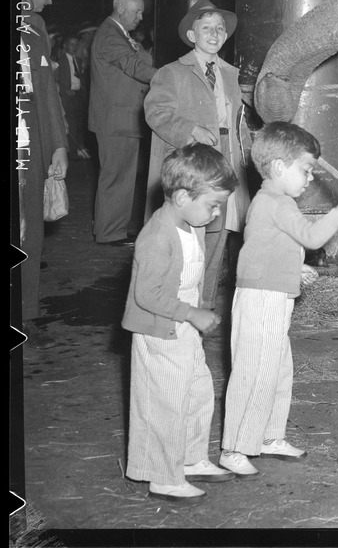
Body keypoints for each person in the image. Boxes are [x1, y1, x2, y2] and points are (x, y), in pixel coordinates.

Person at [219, 122, 338, 477]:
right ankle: (235, 446)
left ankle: (269, 436)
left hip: (273, 293)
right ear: (280, 168)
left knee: (278, 370)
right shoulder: (277, 203)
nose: (310, 178)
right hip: (262, 298)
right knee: (255, 371)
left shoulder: (273, 203)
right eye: (306, 170)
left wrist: (293, 271)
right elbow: (312, 238)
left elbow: (265, 248)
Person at [122, 144, 238, 502]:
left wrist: (196, 311)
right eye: (213, 205)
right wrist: (192, 313)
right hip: (160, 328)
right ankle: (163, 476)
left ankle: (190, 458)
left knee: (198, 390)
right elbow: (147, 295)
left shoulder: (191, 225)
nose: (217, 213)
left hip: (182, 326)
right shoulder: (157, 237)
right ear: (182, 196)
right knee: (166, 402)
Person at [144, 0, 250, 309]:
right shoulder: (172, 73)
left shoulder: (232, 74)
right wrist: (191, 129)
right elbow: (156, 112)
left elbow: (240, 118)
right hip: (192, 168)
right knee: (188, 235)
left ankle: (203, 302)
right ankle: (176, 302)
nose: (215, 33)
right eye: (207, 28)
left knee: (216, 232)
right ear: (192, 35)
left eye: (220, 29)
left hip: (227, 163)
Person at [16, 0, 69, 347]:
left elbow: (47, 92)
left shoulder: (34, 29)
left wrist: (59, 146)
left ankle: (24, 310)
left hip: (29, 140)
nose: (48, 2)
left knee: (29, 225)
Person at [88, 0, 156, 246]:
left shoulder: (119, 34)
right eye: (136, 11)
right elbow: (135, 67)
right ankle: (109, 233)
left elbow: (139, 61)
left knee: (122, 177)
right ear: (120, 9)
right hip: (115, 119)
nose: (140, 16)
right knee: (116, 177)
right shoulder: (110, 36)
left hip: (121, 118)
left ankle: (113, 228)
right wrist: (168, 77)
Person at [56, 35, 91, 159]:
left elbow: (79, 77)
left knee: (79, 122)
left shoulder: (78, 60)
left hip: (77, 96)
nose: (74, 47)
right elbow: (56, 80)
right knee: (70, 123)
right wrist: (65, 90)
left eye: (76, 44)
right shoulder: (60, 62)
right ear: (65, 46)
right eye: (71, 44)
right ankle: (70, 151)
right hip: (67, 96)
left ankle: (77, 148)